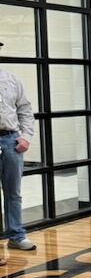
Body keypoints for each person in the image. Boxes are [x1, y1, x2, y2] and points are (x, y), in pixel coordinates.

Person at [0, 44, 36, 254]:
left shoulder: (11, 79)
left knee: (13, 192)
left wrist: (26, 137)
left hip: (10, 140)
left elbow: (25, 110)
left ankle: (16, 235)